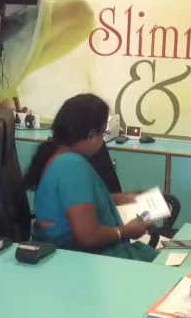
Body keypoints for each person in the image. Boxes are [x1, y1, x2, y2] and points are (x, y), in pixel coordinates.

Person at [24, 94, 159, 262]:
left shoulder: (58, 155)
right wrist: (126, 231)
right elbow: (87, 237)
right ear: (91, 134)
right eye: (103, 133)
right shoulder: (72, 165)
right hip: (81, 261)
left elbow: (75, 203)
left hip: (73, 255)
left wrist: (119, 198)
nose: (102, 140)